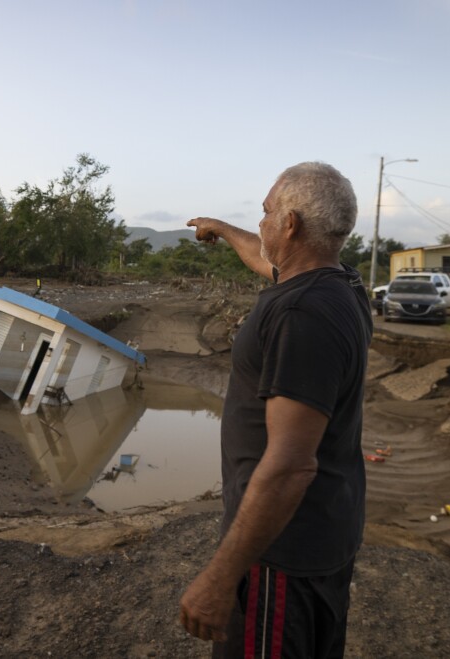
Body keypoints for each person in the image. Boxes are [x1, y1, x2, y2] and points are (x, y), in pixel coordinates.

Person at [179, 162, 372, 658]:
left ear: (290, 225)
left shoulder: (300, 313)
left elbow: (289, 466)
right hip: (323, 536)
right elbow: (266, 259)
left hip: (279, 559)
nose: (259, 223)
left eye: (265, 213)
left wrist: (221, 578)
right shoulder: (340, 284)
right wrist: (222, 229)